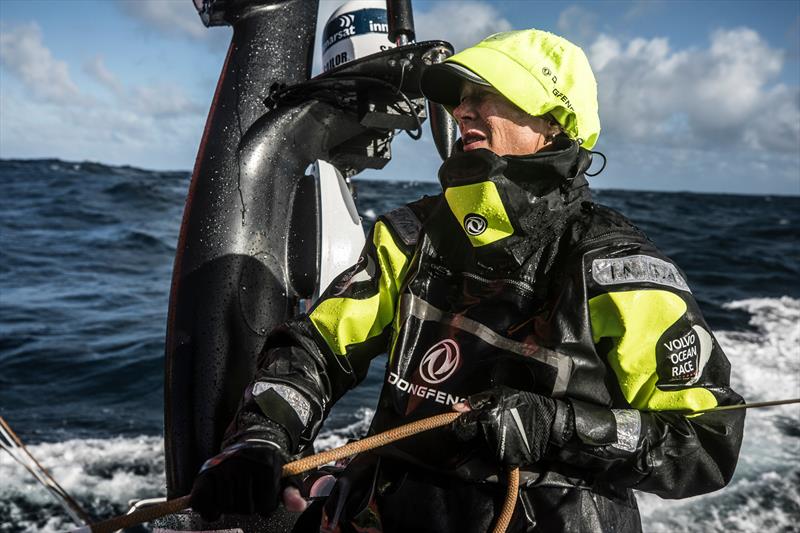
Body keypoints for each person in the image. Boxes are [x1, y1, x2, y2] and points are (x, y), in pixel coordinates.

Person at [190, 29, 745, 532]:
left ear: (554, 123)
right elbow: (320, 348)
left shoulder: (617, 271)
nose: (462, 110)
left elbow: (706, 444)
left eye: (488, 96)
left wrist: (558, 426)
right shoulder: (411, 235)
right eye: (460, 98)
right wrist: (263, 435)